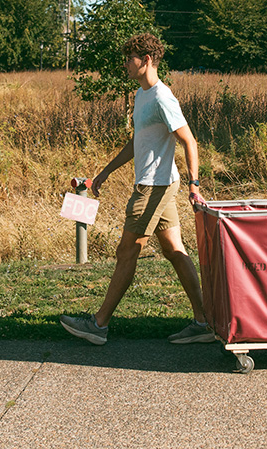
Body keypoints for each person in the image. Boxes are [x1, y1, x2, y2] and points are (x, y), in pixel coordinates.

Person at [60, 33, 213, 345]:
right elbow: (137, 142)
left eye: (130, 58)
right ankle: (204, 321)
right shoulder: (141, 96)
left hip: (154, 188)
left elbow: (189, 140)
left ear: (146, 60)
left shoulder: (162, 97)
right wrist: (105, 172)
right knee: (174, 250)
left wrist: (195, 185)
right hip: (158, 183)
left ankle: (98, 325)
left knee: (127, 250)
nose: (125, 64)